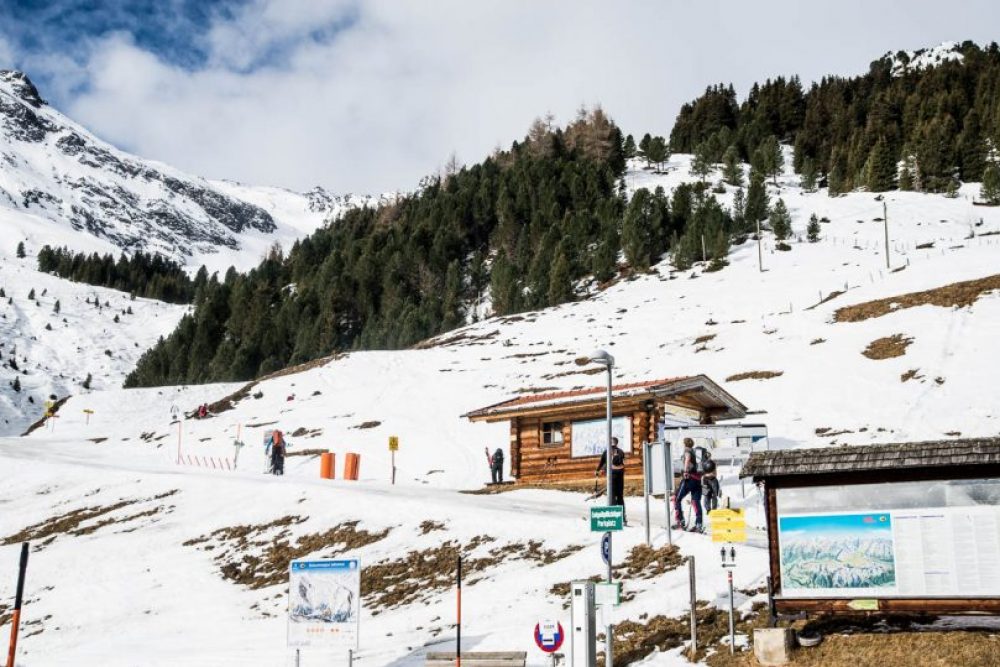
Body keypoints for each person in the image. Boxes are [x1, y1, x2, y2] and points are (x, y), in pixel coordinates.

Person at [596, 437, 627, 525]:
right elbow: (624, 463)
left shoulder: (607, 451)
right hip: (620, 476)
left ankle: (613, 517)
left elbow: (601, 462)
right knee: (620, 496)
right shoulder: (621, 451)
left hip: (611, 475)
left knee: (612, 495)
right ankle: (623, 518)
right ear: (616, 443)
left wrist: (597, 470)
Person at [674, 437, 703, 531]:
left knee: (677, 498)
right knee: (695, 501)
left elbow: (687, 459)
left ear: (684, 444)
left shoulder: (687, 451)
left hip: (689, 478)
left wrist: (685, 471)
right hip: (697, 479)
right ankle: (699, 524)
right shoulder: (693, 451)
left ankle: (680, 521)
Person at [701, 448, 720, 516]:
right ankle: (708, 509)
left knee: (714, 495)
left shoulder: (713, 463)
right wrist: (707, 474)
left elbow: (714, 474)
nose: (708, 457)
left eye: (708, 455)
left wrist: (709, 474)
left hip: (713, 480)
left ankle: (714, 509)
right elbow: (702, 474)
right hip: (705, 480)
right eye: (706, 455)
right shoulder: (702, 464)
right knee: (706, 495)